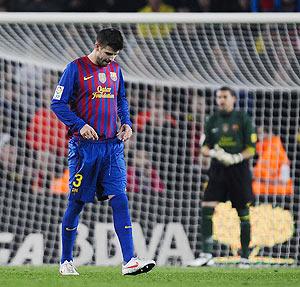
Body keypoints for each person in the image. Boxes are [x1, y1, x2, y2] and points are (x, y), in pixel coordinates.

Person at [51, 28, 155, 276]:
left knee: (120, 198)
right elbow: (57, 104)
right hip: (84, 149)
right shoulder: (74, 69)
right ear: (97, 46)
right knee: (76, 204)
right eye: (108, 53)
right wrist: (80, 125)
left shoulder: (116, 70)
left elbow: (121, 100)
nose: (112, 59)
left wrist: (127, 123)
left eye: (116, 55)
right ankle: (66, 261)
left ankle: (129, 260)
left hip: (112, 147)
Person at [187, 86, 257, 267]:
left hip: (239, 170)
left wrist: (236, 157)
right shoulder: (212, 120)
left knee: (243, 211)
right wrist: (214, 154)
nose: (221, 100)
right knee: (207, 206)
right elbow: (203, 147)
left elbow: (252, 148)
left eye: (225, 97)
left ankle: (245, 256)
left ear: (234, 98)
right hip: (217, 169)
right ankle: (206, 254)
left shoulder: (243, 118)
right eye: (219, 97)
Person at [252, 125, 293, 195]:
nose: (258, 136)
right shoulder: (263, 149)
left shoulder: (277, 149)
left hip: (277, 188)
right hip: (263, 186)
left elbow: (284, 179)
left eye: (260, 133)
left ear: (269, 133)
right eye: (258, 133)